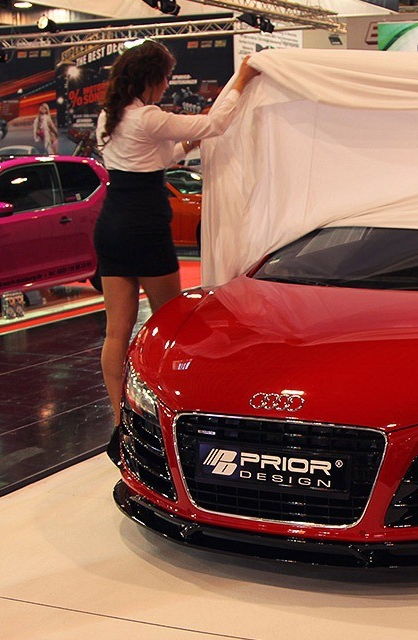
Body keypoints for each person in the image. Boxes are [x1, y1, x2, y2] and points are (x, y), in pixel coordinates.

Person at [94, 40, 260, 437]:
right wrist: (242, 78)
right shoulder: (149, 117)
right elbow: (215, 124)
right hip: (145, 228)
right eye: (166, 78)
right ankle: (170, 415)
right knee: (172, 326)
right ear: (151, 78)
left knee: (116, 332)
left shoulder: (109, 117)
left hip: (112, 225)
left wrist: (188, 143)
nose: (168, 85)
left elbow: (160, 157)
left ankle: (119, 419)